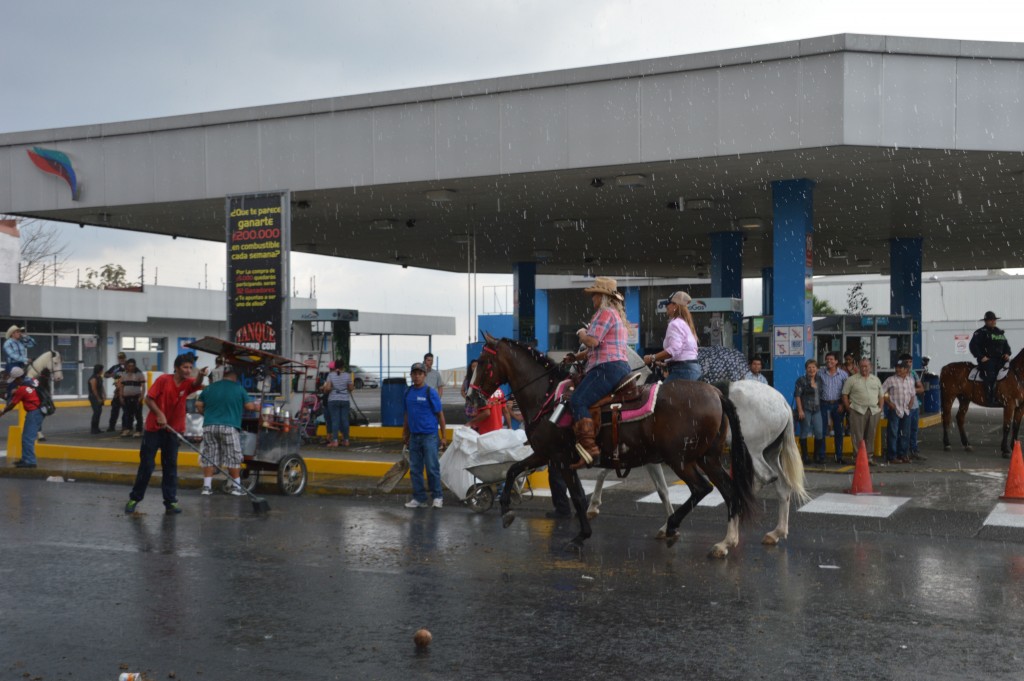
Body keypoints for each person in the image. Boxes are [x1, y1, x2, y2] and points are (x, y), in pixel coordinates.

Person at [124, 353, 208, 515]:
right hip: (154, 429)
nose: (188, 370)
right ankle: (134, 498)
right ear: (176, 368)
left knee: (170, 467)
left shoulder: (188, 383)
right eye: (185, 367)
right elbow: (149, 399)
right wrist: (160, 415)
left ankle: (170, 501)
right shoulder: (163, 380)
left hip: (174, 430)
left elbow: (196, 383)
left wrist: (201, 376)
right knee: (147, 466)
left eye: (190, 367)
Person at [564, 276, 630, 463]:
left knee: (578, 400)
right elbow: (597, 346)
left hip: (606, 367)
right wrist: (576, 357)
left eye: (594, 295)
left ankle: (589, 449)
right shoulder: (615, 315)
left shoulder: (604, 313)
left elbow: (592, 341)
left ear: (602, 296)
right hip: (618, 365)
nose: (592, 298)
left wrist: (581, 333)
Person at [195, 363, 259, 495]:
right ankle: (236, 488)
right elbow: (249, 407)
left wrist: (206, 414)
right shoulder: (238, 388)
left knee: (209, 456)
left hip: (209, 426)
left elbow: (199, 404)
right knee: (233, 456)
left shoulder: (210, 388)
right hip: (229, 426)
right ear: (234, 377)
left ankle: (206, 487)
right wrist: (259, 406)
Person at [403, 362, 446, 509]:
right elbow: (407, 415)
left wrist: (444, 436)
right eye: (414, 373)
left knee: (432, 468)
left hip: (429, 436)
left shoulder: (430, 392)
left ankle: (438, 496)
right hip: (414, 437)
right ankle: (419, 498)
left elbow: (440, 415)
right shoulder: (408, 392)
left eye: (419, 373)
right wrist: (405, 434)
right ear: (411, 375)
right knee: (415, 469)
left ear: (424, 375)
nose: (416, 376)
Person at [643, 290, 700, 382]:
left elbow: (674, 349)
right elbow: (686, 353)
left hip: (683, 372)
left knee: (658, 395)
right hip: (692, 370)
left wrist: (651, 358)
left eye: (668, 304)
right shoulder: (686, 324)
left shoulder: (674, 324)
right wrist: (666, 364)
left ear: (675, 306)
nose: (666, 306)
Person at [842, 358, 885, 466]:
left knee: (871, 435)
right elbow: (844, 395)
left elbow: (881, 396)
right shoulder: (851, 379)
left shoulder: (875, 380)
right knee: (858, 436)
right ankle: (858, 458)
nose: (864, 368)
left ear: (870, 367)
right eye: (862, 366)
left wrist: (880, 408)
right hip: (857, 410)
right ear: (859, 367)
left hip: (873, 411)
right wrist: (849, 409)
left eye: (866, 366)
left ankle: (869, 458)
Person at [0, 367, 43, 468]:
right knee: (26, 436)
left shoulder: (22, 389)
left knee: (28, 438)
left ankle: (30, 461)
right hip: (40, 409)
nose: (14, 382)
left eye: (15, 380)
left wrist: (3, 412)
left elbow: (12, 405)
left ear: (18, 378)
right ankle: (25, 459)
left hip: (34, 412)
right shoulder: (33, 380)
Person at [970, 311, 1011, 405]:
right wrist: (981, 357)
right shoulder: (980, 333)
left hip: (1001, 360)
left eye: (994, 320)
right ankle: (990, 398)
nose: (993, 321)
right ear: (986, 321)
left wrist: (1007, 353)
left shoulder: (999, 332)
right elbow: (973, 346)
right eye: (990, 320)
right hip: (987, 360)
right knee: (991, 376)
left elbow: (1006, 346)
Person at [882, 360, 917, 465]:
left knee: (905, 434)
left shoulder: (910, 380)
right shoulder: (890, 380)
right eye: (896, 367)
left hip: (906, 410)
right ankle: (892, 456)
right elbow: (882, 392)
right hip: (895, 409)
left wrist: (911, 404)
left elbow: (913, 393)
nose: (897, 369)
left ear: (906, 369)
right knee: (893, 433)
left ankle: (903, 455)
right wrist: (889, 403)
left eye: (900, 367)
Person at [819, 352, 849, 464]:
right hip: (823, 404)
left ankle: (839, 456)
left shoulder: (843, 375)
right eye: (827, 359)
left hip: (838, 405)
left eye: (831, 359)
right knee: (821, 431)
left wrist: (843, 404)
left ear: (836, 361)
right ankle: (821, 456)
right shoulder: (820, 373)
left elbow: (847, 391)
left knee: (838, 431)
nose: (829, 361)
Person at [794, 359, 825, 464]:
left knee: (819, 432)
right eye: (809, 367)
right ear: (806, 369)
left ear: (817, 369)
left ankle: (816, 455)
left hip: (817, 409)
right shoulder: (801, 380)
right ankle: (805, 456)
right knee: (804, 431)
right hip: (805, 409)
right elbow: (797, 396)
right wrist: (800, 410)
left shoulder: (819, 380)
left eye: (814, 367)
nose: (811, 369)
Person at [898, 352, 926, 462]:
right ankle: (903, 452)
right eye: (907, 362)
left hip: (914, 406)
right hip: (904, 406)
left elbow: (921, 388)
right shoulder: (898, 374)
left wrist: (911, 390)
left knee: (914, 430)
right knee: (904, 431)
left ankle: (914, 450)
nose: (909, 364)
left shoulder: (913, 374)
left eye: (910, 362)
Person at [322, 360, 354, 447]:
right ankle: (346, 440)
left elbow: (328, 388)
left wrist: (326, 389)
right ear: (343, 366)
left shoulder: (331, 375)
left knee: (335, 420)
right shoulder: (347, 375)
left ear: (335, 367)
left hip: (333, 400)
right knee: (345, 420)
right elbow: (351, 388)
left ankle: (335, 441)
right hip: (344, 400)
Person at [119, 358, 147, 437]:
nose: (131, 367)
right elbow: (121, 386)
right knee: (128, 414)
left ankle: (139, 430)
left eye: (132, 366)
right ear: (127, 366)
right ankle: (128, 429)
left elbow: (143, 387)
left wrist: (141, 396)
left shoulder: (139, 374)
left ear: (135, 366)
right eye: (129, 366)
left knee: (138, 415)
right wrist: (121, 396)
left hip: (136, 398)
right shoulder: (124, 375)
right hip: (126, 398)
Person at [104, 352, 128, 433]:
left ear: (125, 358)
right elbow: (105, 375)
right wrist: (111, 374)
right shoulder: (115, 368)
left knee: (126, 411)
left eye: (123, 358)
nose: (121, 359)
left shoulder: (129, 368)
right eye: (120, 358)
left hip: (126, 392)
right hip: (117, 392)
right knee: (114, 410)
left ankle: (124, 427)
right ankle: (111, 426)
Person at [88, 363, 105, 434]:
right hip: (94, 397)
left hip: (99, 396)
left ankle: (97, 428)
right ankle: (93, 428)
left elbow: (101, 386)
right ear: (99, 370)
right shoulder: (93, 378)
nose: (102, 371)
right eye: (102, 370)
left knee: (99, 412)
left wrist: (104, 394)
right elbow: (94, 389)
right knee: (96, 412)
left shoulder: (99, 377)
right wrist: (98, 398)